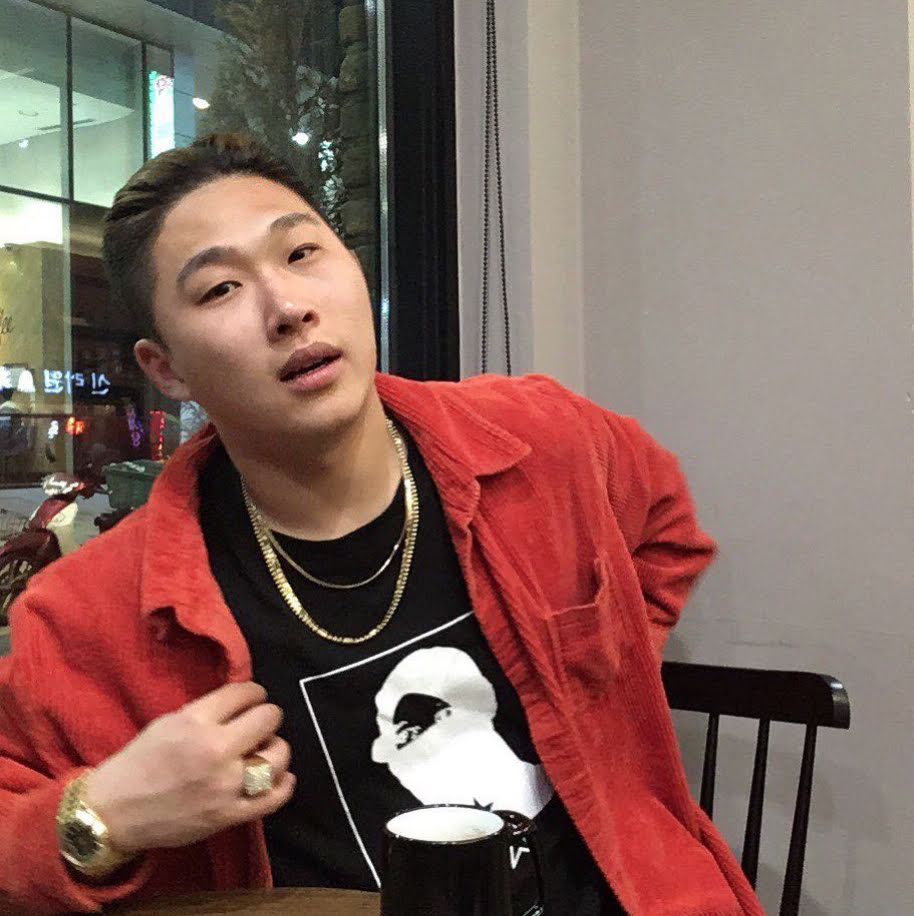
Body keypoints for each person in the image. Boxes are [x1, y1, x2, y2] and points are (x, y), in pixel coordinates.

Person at [0, 133, 763, 915]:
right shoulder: (86, 613)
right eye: (221, 289)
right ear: (166, 368)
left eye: (301, 253)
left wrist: (599, 684)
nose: (288, 308)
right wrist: (105, 815)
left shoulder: (539, 439)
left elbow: (666, 525)